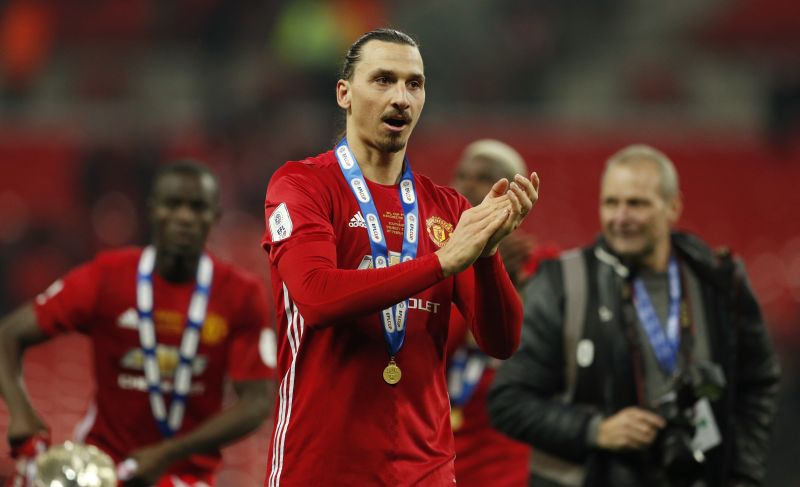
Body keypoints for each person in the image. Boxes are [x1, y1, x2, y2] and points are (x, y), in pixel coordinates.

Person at [261, 28, 540, 486]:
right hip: (320, 468)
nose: (401, 98)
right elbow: (315, 297)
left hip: (424, 470)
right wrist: (440, 263)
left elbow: (501, 341)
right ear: (344, 94)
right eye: (383, 80)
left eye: (415, 84)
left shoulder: (447, 209)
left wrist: (487, 255)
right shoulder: (302, 186)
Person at [488, 144, 780, 487]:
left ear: (673, 207)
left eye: (637, 204)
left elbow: (758, 385)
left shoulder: (719, 283)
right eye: (611, 203)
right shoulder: (561, 284)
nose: (620, 217)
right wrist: (596, 430)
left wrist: (743, 476)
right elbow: (507, 402)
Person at [0, 161, 276, 487]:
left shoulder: (241, 294)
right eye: (173, 205)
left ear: (214, 217)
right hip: (100, 469)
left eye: (197, 207)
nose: (184, 217)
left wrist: (168, 452)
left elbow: (257, 401)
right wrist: (21, 412)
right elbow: (9, 335)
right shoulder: (108, 276)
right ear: (153, 210)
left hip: (188, 476)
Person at [447, 139, 557, 487]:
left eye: (485, 177)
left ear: (518, 192)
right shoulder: (436, 258)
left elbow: (538, 353)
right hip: (436, 453)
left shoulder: (542, 267)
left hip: (507, 460)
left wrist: (499, 279)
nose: (467, 185)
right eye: (462, 175)